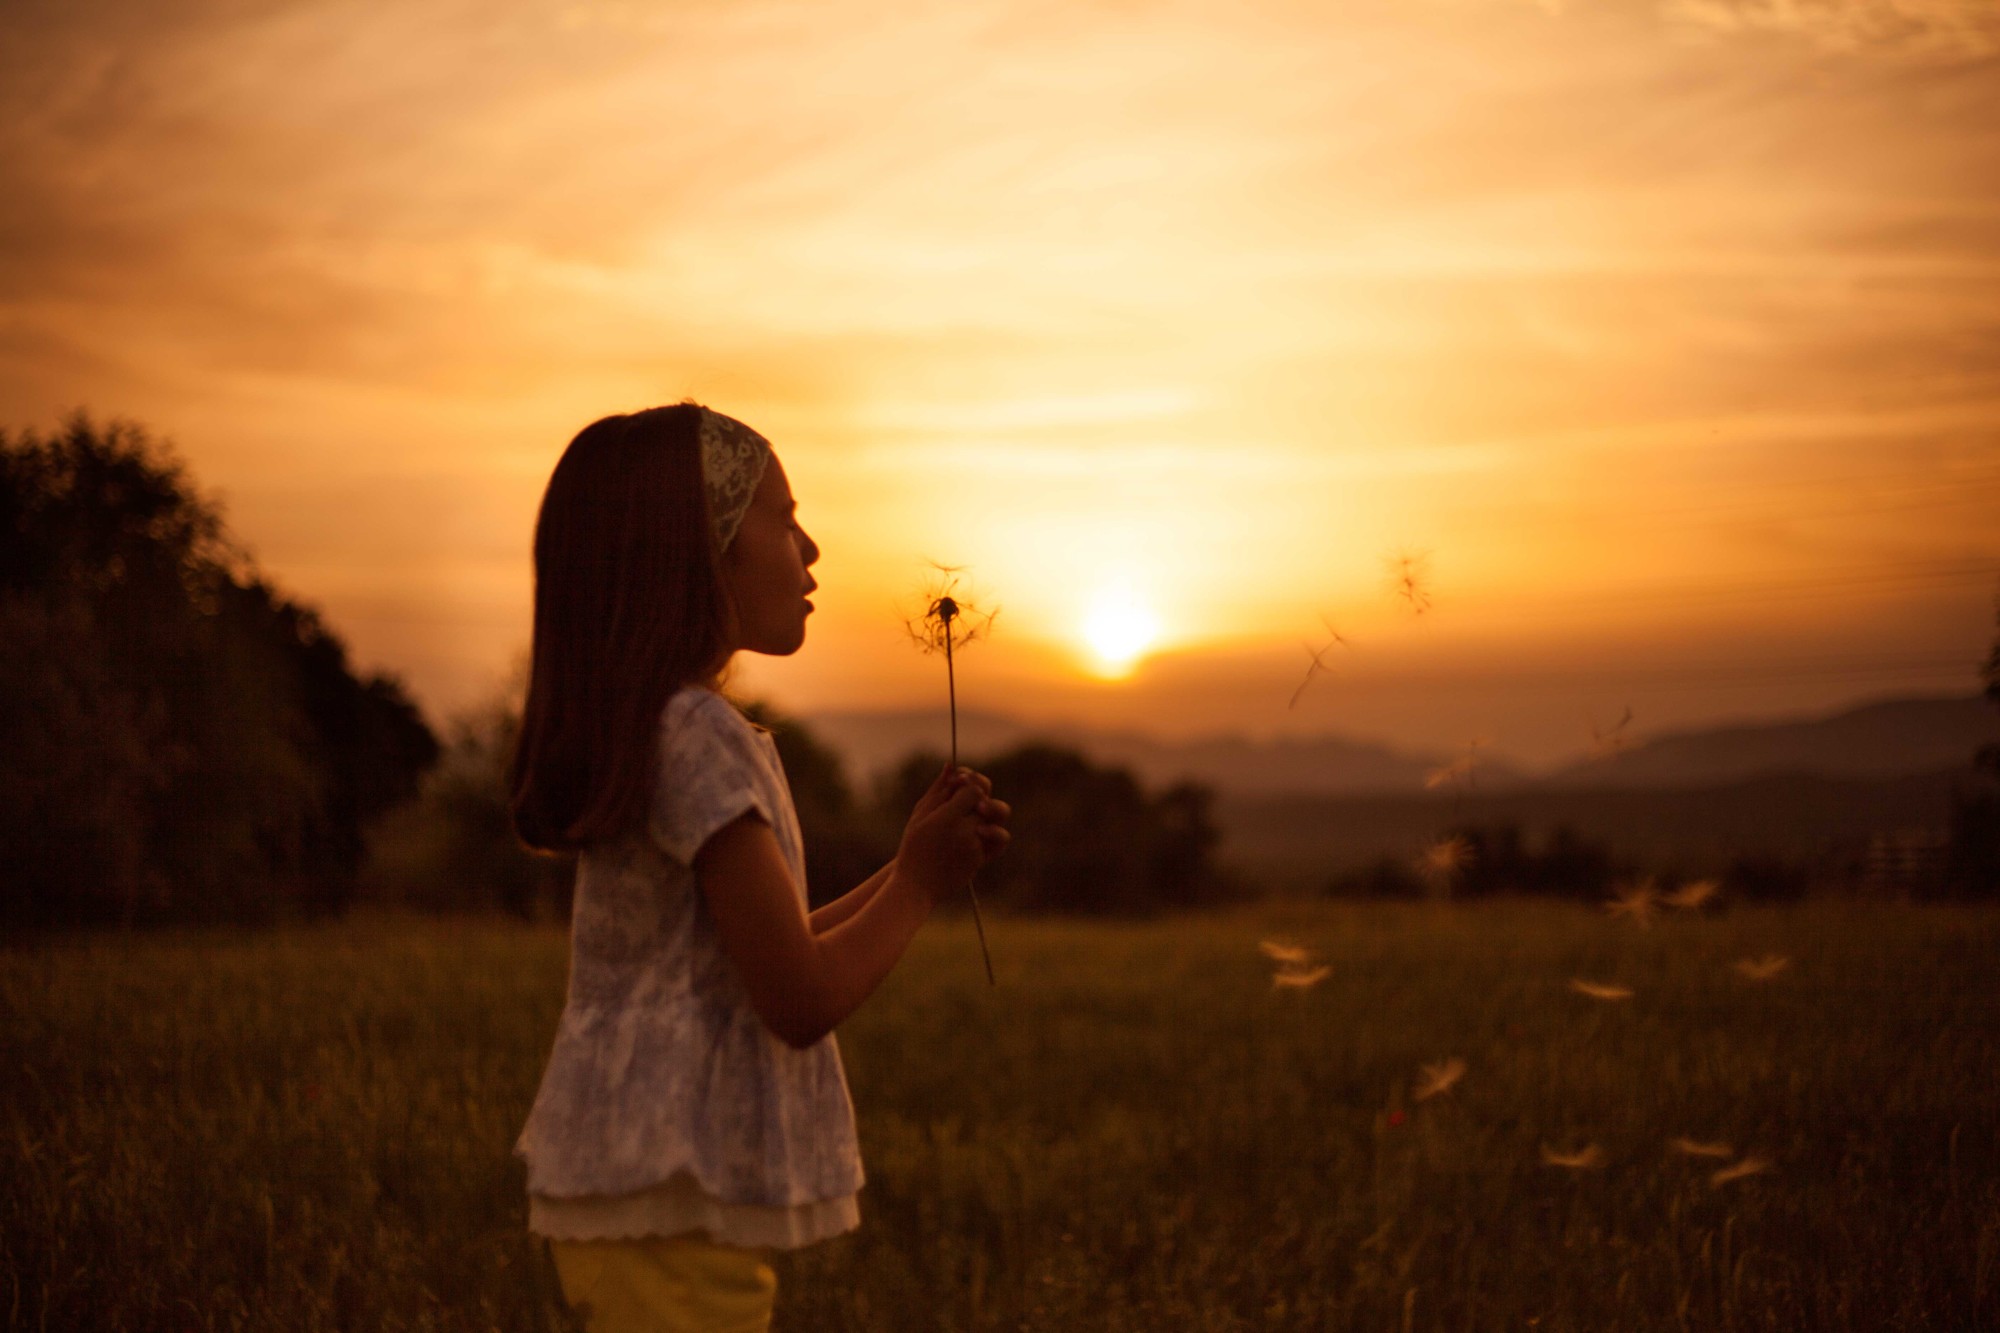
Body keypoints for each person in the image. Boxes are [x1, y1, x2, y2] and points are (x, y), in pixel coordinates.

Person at [507, 402, 1010, 1332]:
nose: (811, 547)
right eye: (783, 519)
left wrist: (911, 864)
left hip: (637, 1184)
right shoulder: (699, 733)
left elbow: (752, 956)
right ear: (703, 555)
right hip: (677, 1191)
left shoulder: (658, 725)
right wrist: (917, 885)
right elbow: (798, 998)